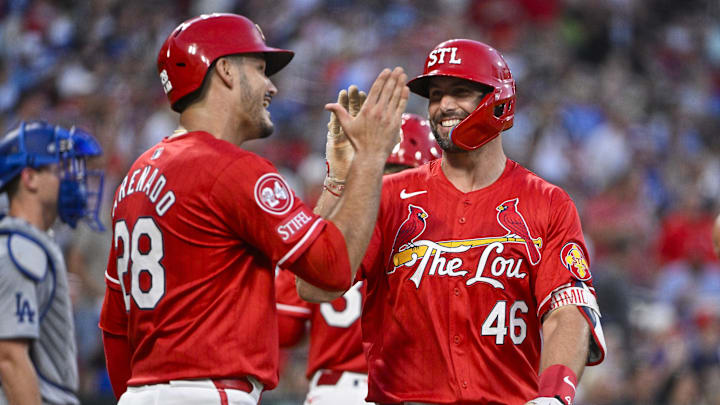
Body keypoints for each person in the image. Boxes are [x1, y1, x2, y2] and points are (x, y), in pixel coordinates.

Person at [98, 13, 408, 405]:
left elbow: (114, 327)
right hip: (211, 393)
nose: (272, 87)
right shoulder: (232, 168)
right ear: (225, 70)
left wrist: (338, 177)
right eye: (261, 69)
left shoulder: (134, 178)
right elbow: (331, 270)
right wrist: (371, 156)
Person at [297, 39, 607, 405]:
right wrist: (339, 182)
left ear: (498, 99)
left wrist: (554, 395)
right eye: (435, 95)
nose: (444, 105)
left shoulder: (548, 203)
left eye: (460, 91)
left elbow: (567, 310)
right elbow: (314, 286)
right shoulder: (389, 196)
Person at [275, 110, 440, 405]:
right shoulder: (444, 241)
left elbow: (284, 329)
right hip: (407, 392)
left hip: (334, 391)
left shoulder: (326, 230)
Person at [0, 120, 104, 405]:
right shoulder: (18, 250)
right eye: (60, 170)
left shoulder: (30, 244)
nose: (72, 180)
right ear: (29, 178)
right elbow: (10, 359)